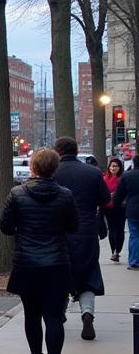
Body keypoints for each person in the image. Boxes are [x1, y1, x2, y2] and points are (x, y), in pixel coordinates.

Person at [0, 148, 79, 354]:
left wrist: (22, 232)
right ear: (55, 168)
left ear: (33, 167)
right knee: (54, 317)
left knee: (32, 315)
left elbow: (5, 226)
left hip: (27, 263)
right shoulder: (65, 195)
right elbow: (73, 226)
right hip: (56, 262)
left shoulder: (17, 194)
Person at [53, 136, 110, 341]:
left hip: (59, 232)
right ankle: (87, 313)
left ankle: (59, 313)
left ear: (57, 151)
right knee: (88, 275)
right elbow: (106, 199)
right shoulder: (93, 173)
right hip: (86, 230)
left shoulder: (53, 173)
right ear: (76, 151)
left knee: (59, 275)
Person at [112, 158, 139, 268]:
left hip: (133, 210)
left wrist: (117, 202)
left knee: (134, 235)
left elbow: (119, 195)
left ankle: (134, 261)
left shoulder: (127, 176)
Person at [104, 158, 126, 263]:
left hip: (121, 207)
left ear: (119, 167)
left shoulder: (123, 178)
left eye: (116, 166)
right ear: (109, 167)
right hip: (108, 207)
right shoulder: (104, 178)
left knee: (120, 229)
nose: (113, 168)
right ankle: (113, 250)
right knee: (112, 229)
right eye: (112, 166)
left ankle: (118, 250)